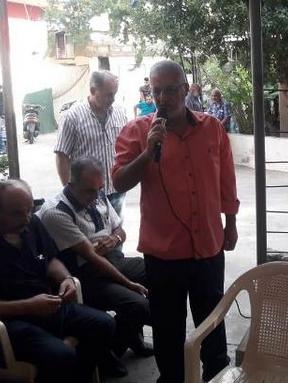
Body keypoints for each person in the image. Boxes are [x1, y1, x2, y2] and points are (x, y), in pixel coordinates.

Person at [111, 59, 239, 383]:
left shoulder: (212, 127)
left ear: (185, 90)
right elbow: (119, 181)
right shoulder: (137, 131)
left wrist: (231, 222)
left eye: (170, 90)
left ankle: (216, 374)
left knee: (212, 321)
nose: (162, 98)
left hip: (208, 246)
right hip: (164, 253)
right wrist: (148, 151)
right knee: (168, 328)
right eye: (156, 91)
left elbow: (226, 178)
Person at [37, 157, 153, 377]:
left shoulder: (98, 196)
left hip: (111, 259)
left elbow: (120, 230)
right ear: (71, 184)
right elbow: (92, 257)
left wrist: (114, 239)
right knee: (137, 305)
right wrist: (129, 284)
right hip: (85, 274)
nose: (96, 195)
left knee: (160, 273)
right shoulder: (57, 212)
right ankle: (108, 352)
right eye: (89, 191)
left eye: (99, 189)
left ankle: (129, 335)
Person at [0, 179, 115, 383]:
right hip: (10, 321)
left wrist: (66, 279)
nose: (26, 218)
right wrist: (27, 306)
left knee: (103, 324)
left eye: (29, 210)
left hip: (48, 305)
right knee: (60, 355)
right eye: (17, 213)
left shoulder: (32, 224)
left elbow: (50, 259)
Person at [54, 70, 129, 217]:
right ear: (93, 90)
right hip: (86, 193)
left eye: (114, 94)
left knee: (116, 229)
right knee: (90, 230)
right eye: (108, 94)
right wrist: (69, 191)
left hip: (116, 191)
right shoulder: (72, 117)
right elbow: (62, 156)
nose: (112, 99)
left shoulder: (120, 112)